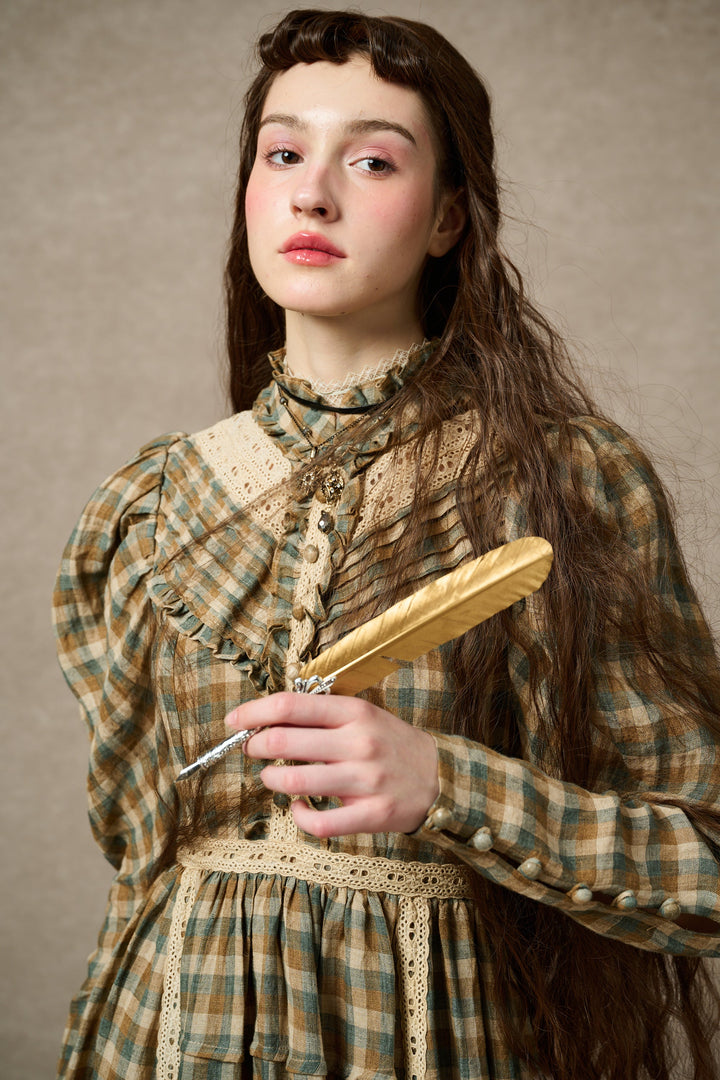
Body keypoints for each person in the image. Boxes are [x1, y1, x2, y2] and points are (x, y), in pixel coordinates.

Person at [53, 9, 720, 1080]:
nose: (312, 194)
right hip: (164, 1036)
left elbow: (706, 863)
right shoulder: (150, 509)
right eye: (283, 154)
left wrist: (448, 783)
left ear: (450, 216)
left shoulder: (560, 482)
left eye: (371, 160)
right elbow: (140, 869)